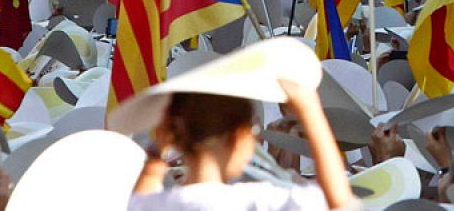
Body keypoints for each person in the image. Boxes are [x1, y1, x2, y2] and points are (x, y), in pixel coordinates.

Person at [131, 78, 353, 210]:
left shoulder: (157, 205)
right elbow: (340, 202)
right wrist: (310, 112)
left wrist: (156, 156)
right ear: (240, 140)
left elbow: (142, 197)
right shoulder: (257, 201)